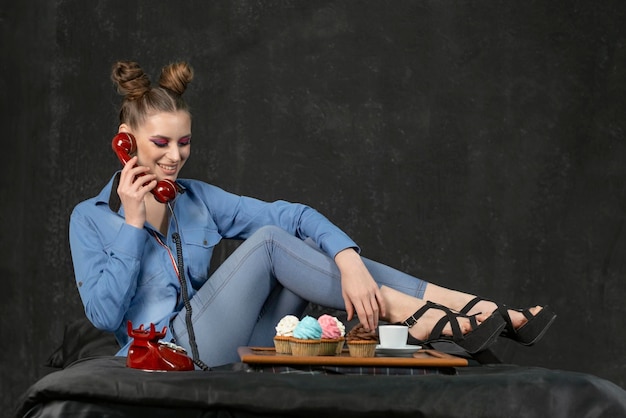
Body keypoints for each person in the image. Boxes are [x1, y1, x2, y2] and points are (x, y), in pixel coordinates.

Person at [69, 60, 556, 368]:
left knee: (298, 242)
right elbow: (104, 313)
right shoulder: (88, 218)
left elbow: (294, 215)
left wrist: (347, 258)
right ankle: (424, 315)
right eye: (160, 143)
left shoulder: (197, 199)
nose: (175, 157)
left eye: (184, 142)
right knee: (268, 244)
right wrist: (134, 224)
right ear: (125, 140)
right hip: (173, 352)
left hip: (235, 338)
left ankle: (473, 307)